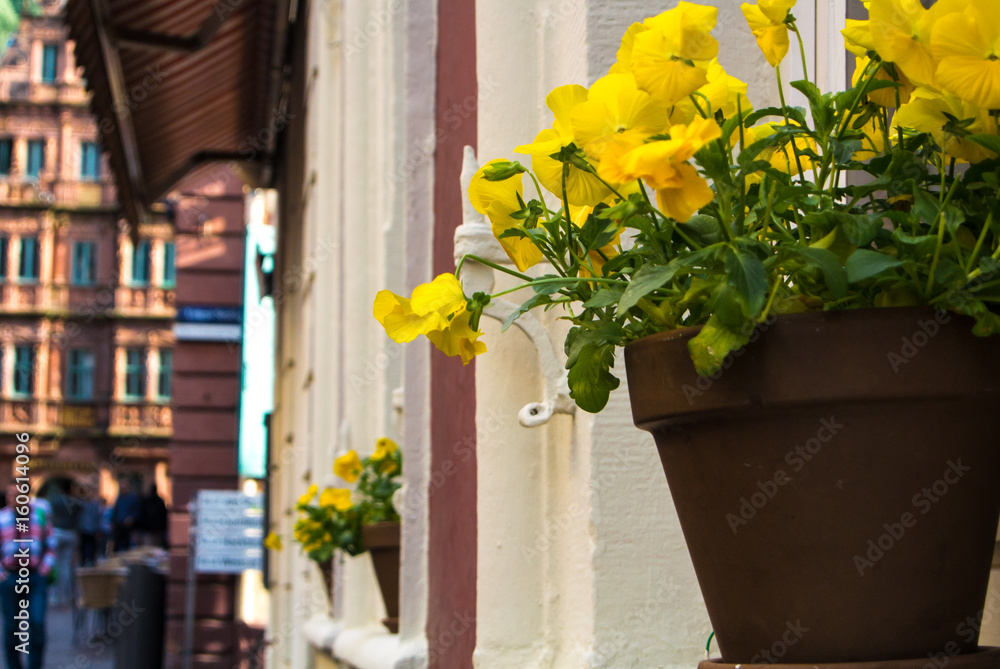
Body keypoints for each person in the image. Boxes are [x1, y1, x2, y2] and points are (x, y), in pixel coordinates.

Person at [0, 482, 56, 669]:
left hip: (35, 577)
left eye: (16, 495)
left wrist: (44, 570)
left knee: (37, 623)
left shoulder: (38, 516)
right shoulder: (2, 517)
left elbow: (51, 543)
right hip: (10, 578)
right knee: (11, 628)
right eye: (10, 495)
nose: (12, 498)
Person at [46, 481, 78, 607]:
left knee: (54, 565)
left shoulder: (53, 501)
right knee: (65, 566)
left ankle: (53, 596)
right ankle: (64, 596)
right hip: (70, 534)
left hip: (57, 532)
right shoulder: (73, 502)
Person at [110, 479, 139, 552]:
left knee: (127, 546)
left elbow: (136, 511)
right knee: (117, 545)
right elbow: (115, 510)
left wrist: (131, 518)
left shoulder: (132, 498)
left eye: (124, 488)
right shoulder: (119, 498)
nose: (122, 489)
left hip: (127, 526)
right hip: (118, 524)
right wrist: (112, 521)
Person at [137, 483, 168, 548]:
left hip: (149, 529)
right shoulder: (159, 501)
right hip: (156, 529)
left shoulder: (146, 500)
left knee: (148, 547)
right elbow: (164, 515)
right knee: (155, 548)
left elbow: (141, 514)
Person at [76, 489, 101, 567]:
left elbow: (97, 517)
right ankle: (85, 560)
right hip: (84, 529)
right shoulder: (82, 504)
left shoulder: (93, 505)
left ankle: (89, 560)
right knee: (84, 546)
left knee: (90, 546)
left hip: (90, 529)